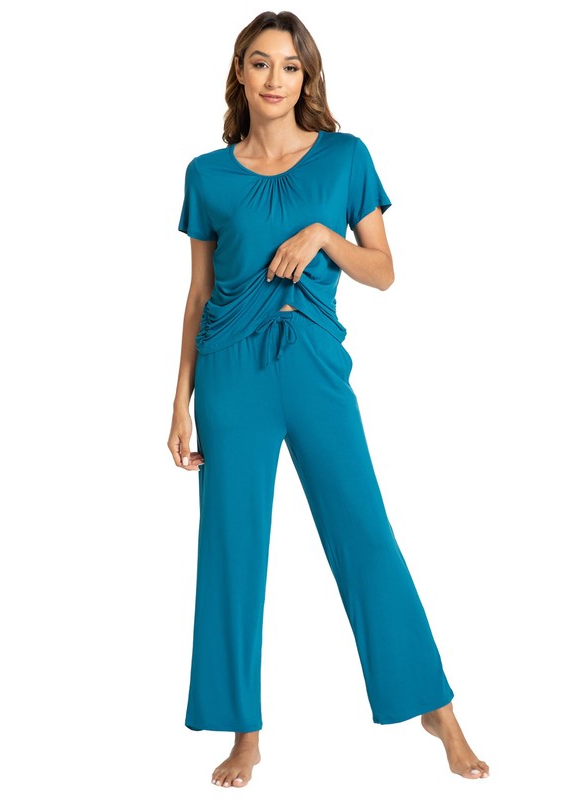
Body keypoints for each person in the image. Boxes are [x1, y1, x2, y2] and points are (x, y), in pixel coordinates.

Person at [168, 10, 490, 789]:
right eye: (260, 63)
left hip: (312, 365)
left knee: (364, 532)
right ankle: (244, 734)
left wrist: (322, 236)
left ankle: (437, 709)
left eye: (290, 65)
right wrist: (179, 401)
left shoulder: (345, 157)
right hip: (230, 374)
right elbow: (199, 294)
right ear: (239, 73)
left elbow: (383, 271)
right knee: (231, 551)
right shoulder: (206, 174)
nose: (274, 79)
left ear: (307, 76)